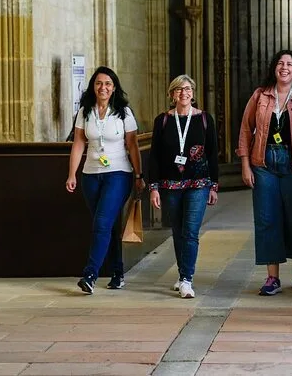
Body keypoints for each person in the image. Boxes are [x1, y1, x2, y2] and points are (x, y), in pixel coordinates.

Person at [237, 50, 292, 296]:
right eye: (280, 63)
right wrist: (245, 164)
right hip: (263, 165)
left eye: (289, 64)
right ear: (274, 68)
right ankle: (272, 278)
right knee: (267, 220)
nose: (284, 67)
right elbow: (245, 129)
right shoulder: (260, 95)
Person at [66, 66, 146, 294]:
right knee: (106, 225)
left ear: (114, 88)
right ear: (93, 86)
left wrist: (139, 175)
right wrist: (72, 174)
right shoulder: (85, 111)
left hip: (118, 173)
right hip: (91, 175)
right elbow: (78, 143)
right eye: (99, 83)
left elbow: (132, 145)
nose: (103, 87)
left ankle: (90, 275)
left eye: (108, 84)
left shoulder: (124, 112)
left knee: (102, 223)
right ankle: (118, 273)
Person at [149, 74, 219, 299]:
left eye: (188, 89)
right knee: (178, 231)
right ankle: (182, 275)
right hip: (170, 185)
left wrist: (214, 186)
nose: (184, 93)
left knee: (190, 231)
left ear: (193, 93)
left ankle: (187, 279)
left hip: (198, 183)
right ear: (172, 94)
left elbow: (212, 154)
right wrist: (153, 187)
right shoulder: (163, 120)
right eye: (179, 89)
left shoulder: (204, 119)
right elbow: (154, 155)